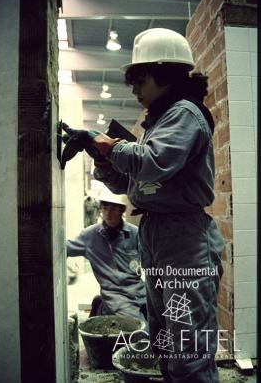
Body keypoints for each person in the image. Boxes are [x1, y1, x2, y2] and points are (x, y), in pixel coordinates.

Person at [61, 28, 224, 383]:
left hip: (183, 238)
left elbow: (151, 162)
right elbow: (134, 184)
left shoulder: (185, 113)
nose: (133, 87)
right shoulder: (160, 121)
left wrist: (104, 144)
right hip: (159, 234)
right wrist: (98, 154)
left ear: (164, 73)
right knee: (164, 338)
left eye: (139, 78)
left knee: (187, 344)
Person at [66, 186, 146, 321]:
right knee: (141, 332)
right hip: (116, 296)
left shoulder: (134, 233)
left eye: (114, 208)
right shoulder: (89, 236)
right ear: (100, 209)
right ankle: (103, 306)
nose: (108, 213)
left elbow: (150, 260)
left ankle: (99, 305)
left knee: (164, 319)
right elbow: (63, 248)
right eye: (105, 208)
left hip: (140, 291)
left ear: (122, 210)